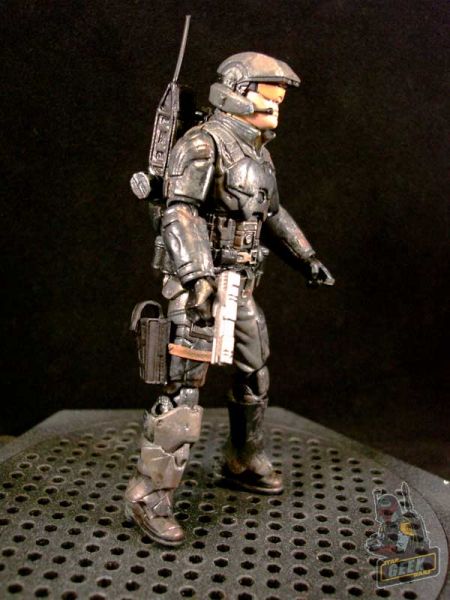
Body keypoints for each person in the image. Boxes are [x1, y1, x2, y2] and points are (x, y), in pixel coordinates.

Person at [125, 52, 334, 546]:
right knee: (183, 390)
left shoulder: (257, 151)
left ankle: (242, 458)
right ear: (237, 92)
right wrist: (198, 276)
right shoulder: (202, 144)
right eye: (267, 98)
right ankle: (149, 496)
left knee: (253, 371)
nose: (275, 107)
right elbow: (179, 212)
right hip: (200, 287)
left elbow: (272, 214)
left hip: (239, 285)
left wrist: (306, 257)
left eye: (279, 101)